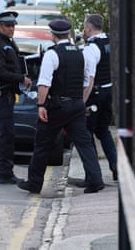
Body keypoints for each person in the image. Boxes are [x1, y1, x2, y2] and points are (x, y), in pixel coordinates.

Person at [18, 19, 105, 194]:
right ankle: (96, 180)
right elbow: (87, 80)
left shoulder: (52, 54)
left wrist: (41, 105)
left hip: (57, 106)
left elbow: (44, 83)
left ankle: (34, 183)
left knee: (42, 144)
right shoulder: (80, 53)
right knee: (84, 144)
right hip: (77, 105)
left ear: (52, 34)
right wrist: (81, 101)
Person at [0, 11, 31, 184]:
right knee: (6, 135)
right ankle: (6, 172)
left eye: (13, 26)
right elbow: (0, 72)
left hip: (7, 95)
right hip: (0, 95)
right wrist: (21, 78)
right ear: (0, 26)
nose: (12, 29)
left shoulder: (7, 43)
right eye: (8, 26)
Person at [82, 14, 117, 181]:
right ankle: (116, 167)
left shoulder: (91, 48)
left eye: (84, 26)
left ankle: (93, 174)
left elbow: (90, 78)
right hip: (109, 91)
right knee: (103, 131)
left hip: (94, 94)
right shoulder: (110, 42)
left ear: (89, 27)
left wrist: (82, 102)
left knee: (87, 134)